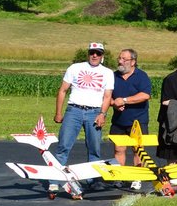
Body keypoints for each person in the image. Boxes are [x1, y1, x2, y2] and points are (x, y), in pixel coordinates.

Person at [51, 42, 114, 194]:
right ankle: (54, 181)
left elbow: (107, 96)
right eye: (92, 52)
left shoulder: (107, 73)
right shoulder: (75, 68)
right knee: (63, 146)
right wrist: (58, 112)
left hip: (94, 112)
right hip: (74, 110)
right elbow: (62, 90)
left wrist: (102, 114)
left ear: (102, 56)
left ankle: (93, 180)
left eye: (98, 53)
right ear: (88, 54)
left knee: (94, 148)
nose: (94, 55)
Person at [108, 48, 151, 191]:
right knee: (118, 149)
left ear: (133, 62)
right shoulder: (113, 76)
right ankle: (119, 177)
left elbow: (145, 95)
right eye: (119, 58)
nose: (120, 61)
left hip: (138, 120)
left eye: (124, 59)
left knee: (138, 150)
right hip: (119, 120)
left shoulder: (141, 76)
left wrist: (124, 100)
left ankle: (137, 177)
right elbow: (107, 96)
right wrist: (114, 103)